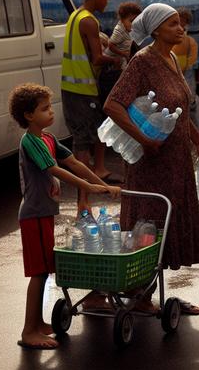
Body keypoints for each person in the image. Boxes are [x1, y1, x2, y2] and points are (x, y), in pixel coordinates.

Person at [104, 4, 199, 315]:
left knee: (166, 223)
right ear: (155, 30)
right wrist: (144, 140)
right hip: (150, 164)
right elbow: (113, 105)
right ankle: (139, 294)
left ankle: (154, 292)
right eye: (173, 24)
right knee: (149, 224)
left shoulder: (172, 58)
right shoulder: (142, 62)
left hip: (175, 162)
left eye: (180, 23)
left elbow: (178, 112)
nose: (181, 29)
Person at [9, 83, 118, 349]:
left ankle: (38, 323)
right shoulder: (31, 141)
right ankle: (28, 331)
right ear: (28, 116)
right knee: (38, 273)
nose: (51, 112)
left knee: (45, 270)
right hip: (34, 214)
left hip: (44, 213)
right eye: (44, 109)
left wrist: (101, 184)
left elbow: (74, 162)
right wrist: (87, 186)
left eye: (50, 107)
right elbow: (54, 169)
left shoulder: (47, 138)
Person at [61, 0, 124, 200]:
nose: (107, 2)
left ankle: (96, 174)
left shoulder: (76, 15)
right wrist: (116, 60)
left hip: (71, 86)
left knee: (92, 131)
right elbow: (97, 59)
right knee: (83, 140)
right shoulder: (89, 21)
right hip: (82, 88)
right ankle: (84, 195)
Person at [172, 8, 199, 134]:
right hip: (173, 71)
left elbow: (192, 58)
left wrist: (184, 66)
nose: (180, 24)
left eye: (183, 21)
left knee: (191, 102)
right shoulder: (172, 38)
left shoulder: (189, 40)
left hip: (186, 74)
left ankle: (197, 133)